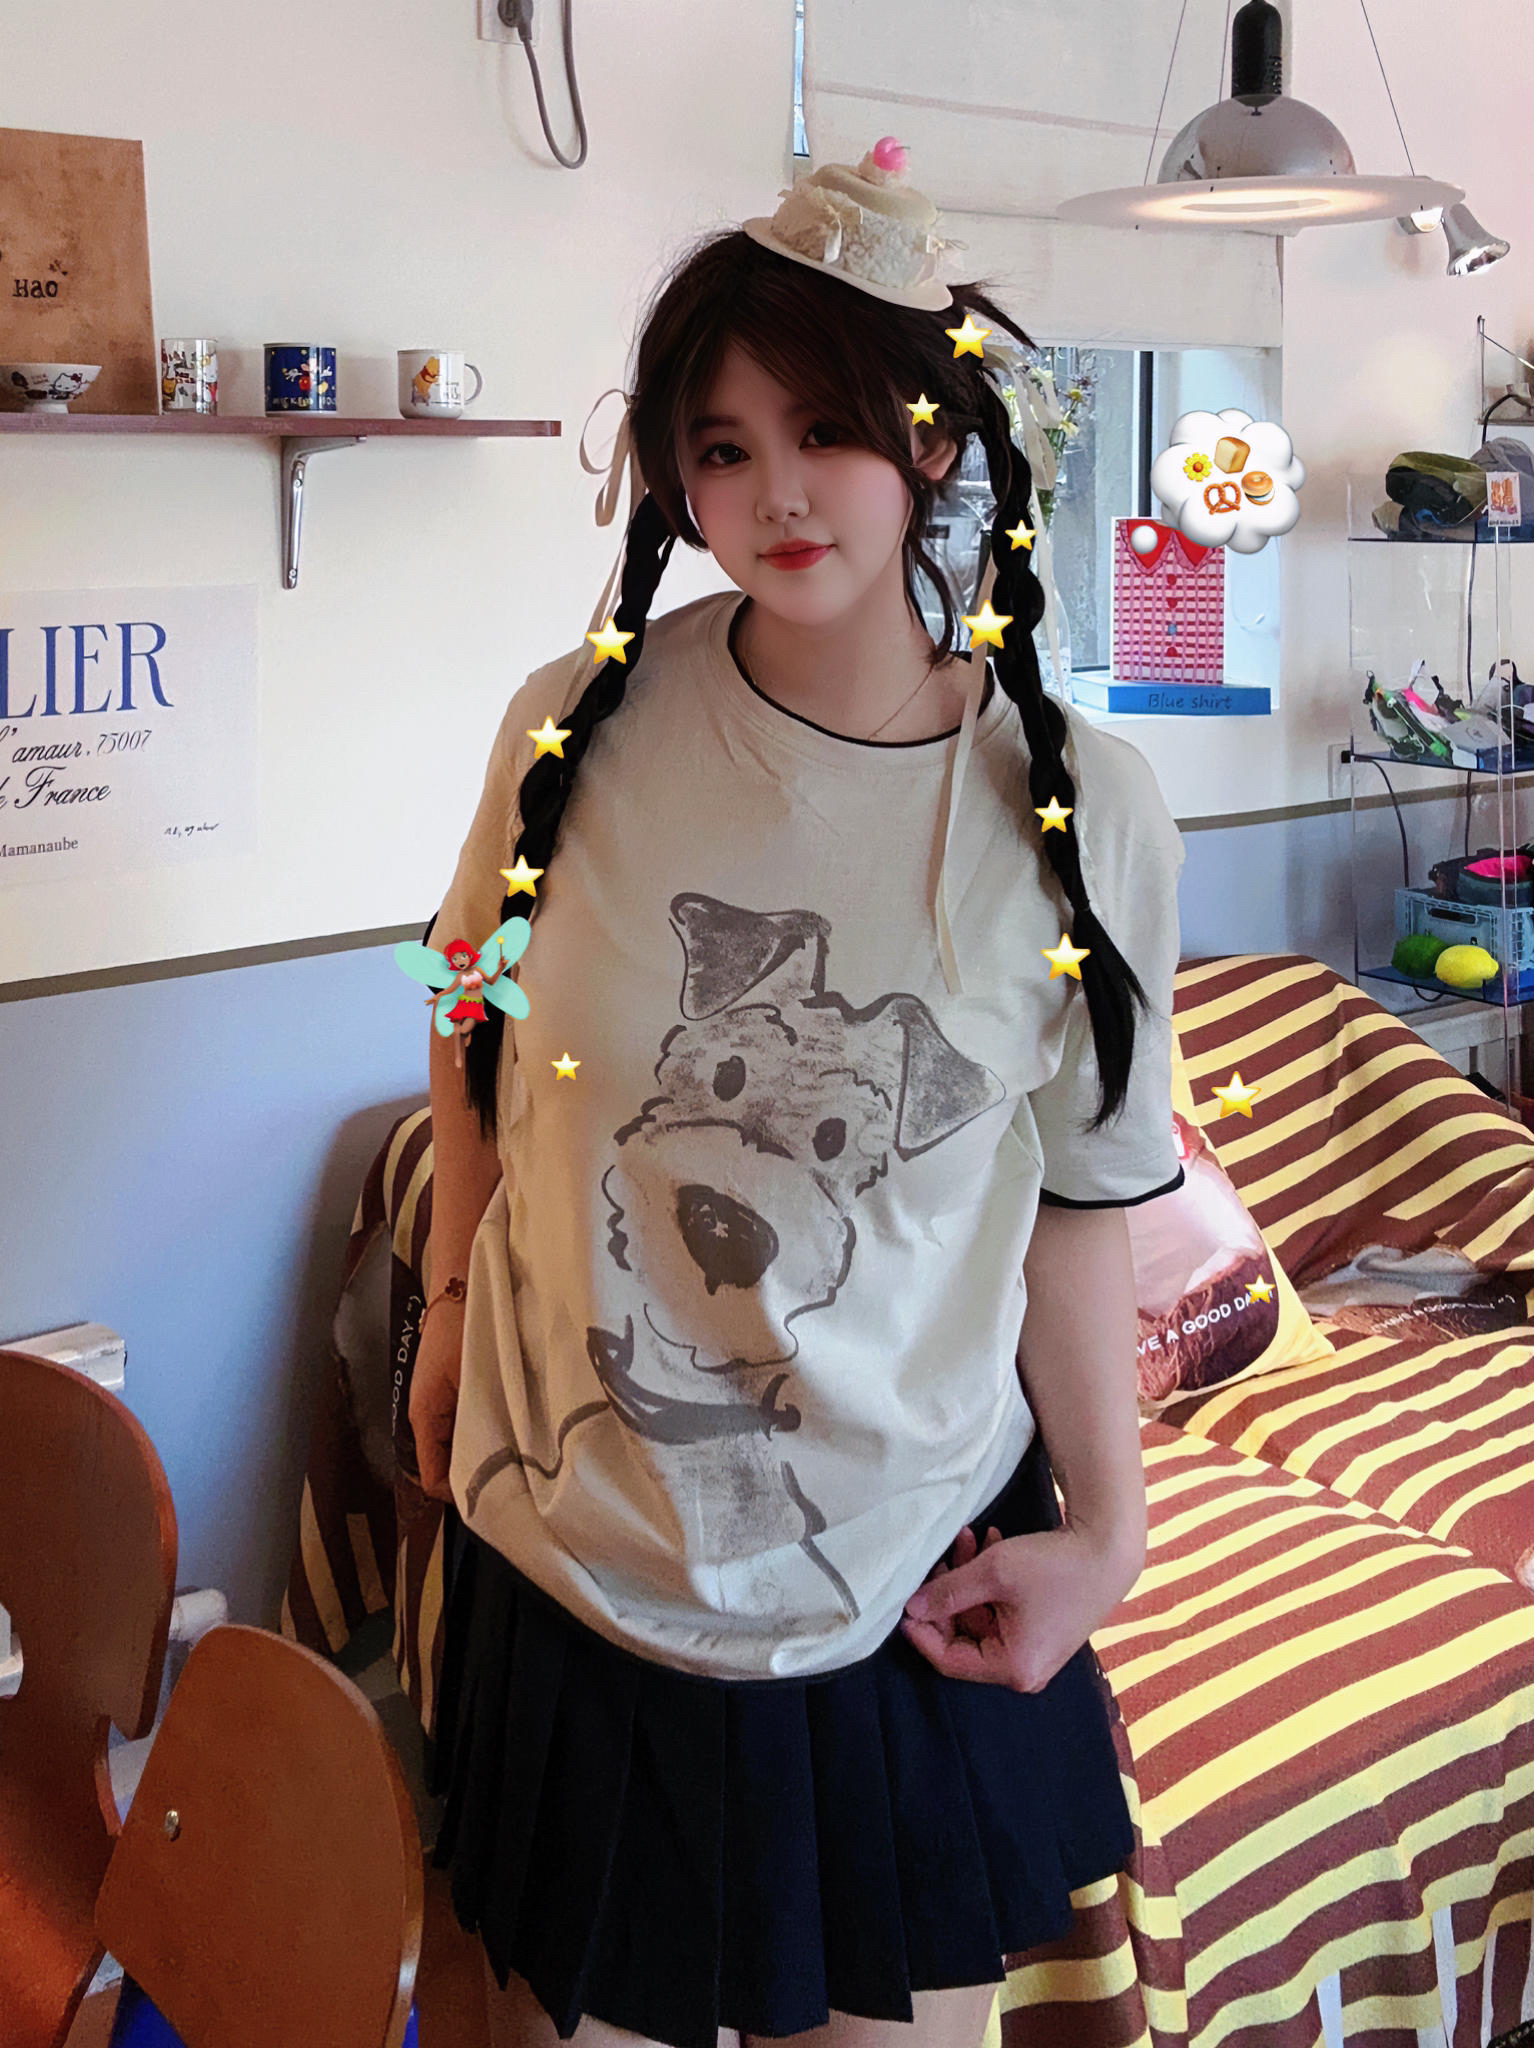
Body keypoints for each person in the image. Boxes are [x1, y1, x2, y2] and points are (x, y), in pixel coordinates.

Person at [411, 137, 1186, 2048]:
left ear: (931, 439)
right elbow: (470, 1010)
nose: (770, 491)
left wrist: (1108, 1529)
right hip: (562, 1551)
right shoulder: (575, 722)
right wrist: (442, 1303)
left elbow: (1082, 1199)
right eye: (720, 445)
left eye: (823, 429)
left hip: (896, 1584)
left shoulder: (1079, 810)